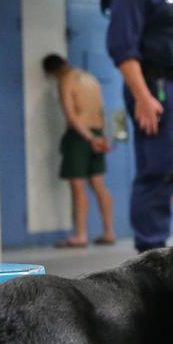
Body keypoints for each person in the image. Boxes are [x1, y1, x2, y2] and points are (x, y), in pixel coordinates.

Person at [107, 0, 173, 254]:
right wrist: (143, 97)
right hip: (154, 89)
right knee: (156, 169)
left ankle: (156, 244)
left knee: (168, 170)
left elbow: (164, 43)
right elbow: (123, 49)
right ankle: (150, 250)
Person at [42, 54, 115, 247]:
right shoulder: (90, 78)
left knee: (78, 186)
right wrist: (101, 137)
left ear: (52, 72)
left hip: (80, 136)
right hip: (98, 131)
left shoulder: (65, 81)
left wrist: (88, 138)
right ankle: (109, 231)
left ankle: (80, 235)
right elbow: (101, 109)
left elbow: (71, 116)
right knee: (99, 183)